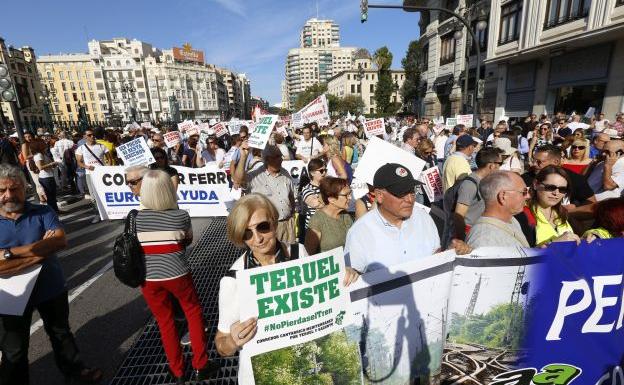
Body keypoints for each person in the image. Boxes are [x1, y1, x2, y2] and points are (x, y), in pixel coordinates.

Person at [0, 164, 103, 385]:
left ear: (25, 188)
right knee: (14, 347)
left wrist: (7, 254)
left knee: (61, 334)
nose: (9, 195)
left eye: (15, 188)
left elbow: (59, 241)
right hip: (10, 297)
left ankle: (76, 372)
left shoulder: (43, 211)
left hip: (50, 288)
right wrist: (39, 253)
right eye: (2, 190)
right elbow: (48, 247)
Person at [135, 170, 219, 383]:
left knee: (165, 321)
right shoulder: (180, 215)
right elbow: (186, 241)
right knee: (193, 313)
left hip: (148, 278)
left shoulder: (134, 218)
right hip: (177, 273)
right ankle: (201, 364)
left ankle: (177, 370)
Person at [215, 194, 306, 385]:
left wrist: (345, 277)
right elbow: (222, 346)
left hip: (303, 367)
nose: (257, 239)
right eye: (246, 233)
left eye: (262, 227)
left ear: (274, 221)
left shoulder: (300, 254)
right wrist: (233, 341)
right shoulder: (233, 280)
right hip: (260, 375)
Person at [345, 163, 441, 275]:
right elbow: (352, 277)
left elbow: (437, 255)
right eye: (401, 193)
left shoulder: (423, 218)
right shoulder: (360, 232)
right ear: (379, 196)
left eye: (412, 191)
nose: (410, 199)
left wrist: (452, 252)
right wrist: (349, 273)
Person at [232, 143, 296, 244]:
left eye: (280, 156)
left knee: (290, 255)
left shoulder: (285, 173)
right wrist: (244, 157)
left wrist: (292, 215)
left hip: (288, 225)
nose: (280, 159)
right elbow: (238, 180)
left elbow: (291, 196)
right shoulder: (255, 176)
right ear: (266, 159)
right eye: (276, 157)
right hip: (268, 228)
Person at [523, 144, 596, 218]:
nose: (534, 164)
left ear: (556, 162)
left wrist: (575, 206)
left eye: (539, 162)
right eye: (533, 160)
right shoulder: (525, 178)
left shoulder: (574, 178)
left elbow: (591, 202)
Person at [466, 171, 531, 248]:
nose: (528, 196)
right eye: (524, 192)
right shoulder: (484, 240)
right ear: (503, 196)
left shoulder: (511, 219)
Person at [451, 148, 503, 241]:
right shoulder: (469, 185)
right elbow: (459, 215)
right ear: (491, 165)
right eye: (500, 164)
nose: (500, 167)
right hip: (469, 234)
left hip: (480, 232)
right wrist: (462, 239)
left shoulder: (485, 181)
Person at [526, 166, 578, 246]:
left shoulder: (563, 213)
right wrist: (552, 243)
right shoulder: (524, 214)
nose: (556, 193)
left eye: (562, 189)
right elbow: (521, 251)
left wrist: (591, 235)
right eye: (550, 187)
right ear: (535, 184)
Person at [304, 177, 353, 254]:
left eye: (350, 193)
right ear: (331, 199)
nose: (350, 197)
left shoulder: (346, 216)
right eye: (346, 195)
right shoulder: (317, 220)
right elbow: (308, 254)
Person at [30, 138, 59, 213]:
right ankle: (53, 212)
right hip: (45, 177)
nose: (45, 143)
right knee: (50, 196)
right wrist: (52, 164)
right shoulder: (39, 155)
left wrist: (52, 165)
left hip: (48, 176)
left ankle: (56, 210)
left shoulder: (42, 153)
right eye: (42, 142)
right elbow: (40, 167)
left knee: (52, 195)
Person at [300, 159, 326, 233]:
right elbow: (316, 204)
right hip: (313, 228)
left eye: (325, 170)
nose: (324, 173)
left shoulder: (327, 186)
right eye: (321, 171)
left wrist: (319, 198)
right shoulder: (306, 188)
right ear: (312, 173)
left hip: (327, 225)